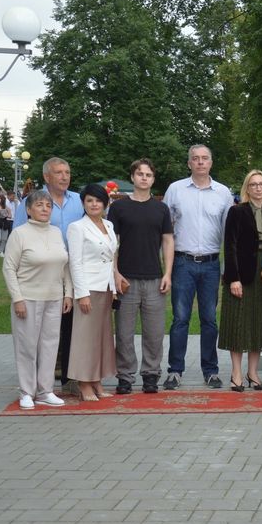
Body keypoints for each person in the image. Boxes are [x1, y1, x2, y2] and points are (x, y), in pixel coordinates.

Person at [162, 145, 233, 390]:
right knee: (180, 318)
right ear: (189, 163)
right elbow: (165, 229)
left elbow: (230, 233)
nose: (200, 162)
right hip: (183, 262)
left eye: (204, 158)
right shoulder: (175, 190)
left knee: (209, 319)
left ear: (211, 162)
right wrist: (167, 270)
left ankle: (211, 371)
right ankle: (175, 370)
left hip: (212, 264)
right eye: (195, 159)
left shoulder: (223, 193)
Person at [12, 157, 85, 384]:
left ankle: (67, 374)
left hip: (70, 270)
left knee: (67, 323)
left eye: (67, 172)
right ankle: (34, 381)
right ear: (46, 176)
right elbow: (18, 238)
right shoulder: (32, 201)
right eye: (59, 172)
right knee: (34, 331)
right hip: (37, 274)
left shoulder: (78, 201)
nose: (64, 177)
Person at [108, 159, 174, 395]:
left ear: (153, 179)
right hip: (126, 279)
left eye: (148, 174)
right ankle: (125, 377)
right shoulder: (118, 208)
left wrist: (168, 273)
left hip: (155, 278)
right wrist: (114, 273)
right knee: (124, 333)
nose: (144, 178)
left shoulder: (161, 209)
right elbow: (111, 243)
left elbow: (168, 241)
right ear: (133, 177)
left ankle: (150, 375)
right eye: (140, 174)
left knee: (154, 333)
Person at [2, 190, 72, 409]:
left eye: (48, 205)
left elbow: (65, 265)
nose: (45, 209)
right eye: (39, 205)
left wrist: (67, 292)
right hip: (28, 297)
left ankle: (45, 390)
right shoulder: (20, 234)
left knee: (50, 346)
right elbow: (8, 268)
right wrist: (17, 299)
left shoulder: (56, 232)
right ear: (29, 210)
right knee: (27, 346)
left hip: (54, 297)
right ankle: (26, 392)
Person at [219, 169, 262, 392]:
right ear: (247, 188)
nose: (257, 188)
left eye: (261, 184)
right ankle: (236, 373)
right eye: (253, 184)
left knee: (258, 321)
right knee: (239, 321)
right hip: (242, 272)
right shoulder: (237, 211)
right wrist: (233, 278)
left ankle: (253, 372)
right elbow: (230, 245)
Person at [67, 184, 118, 401]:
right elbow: (75, 263)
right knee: (84, 338)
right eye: (89, 200)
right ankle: (83, 383)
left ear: (105, 203)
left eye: (98, 200)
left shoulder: (108, 224)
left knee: (101, 338)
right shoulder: (77, 227)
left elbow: (111, 257)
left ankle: (96, 380)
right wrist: (82, 293)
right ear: (83, 204)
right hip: (88, 288)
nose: (94, 204)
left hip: (106, 287)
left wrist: (114, 286)